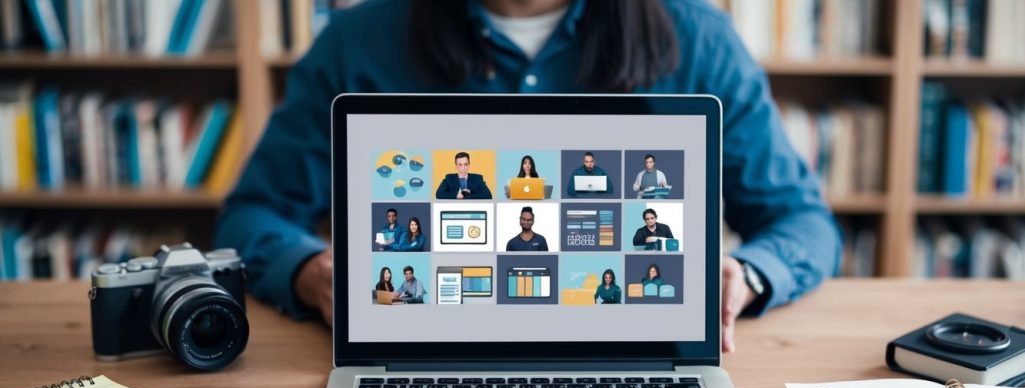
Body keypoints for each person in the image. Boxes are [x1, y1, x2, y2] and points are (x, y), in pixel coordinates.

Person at [215, 0, 841, 353]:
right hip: (415, 348)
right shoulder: (357, 40)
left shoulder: (699, 41)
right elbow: (253, 214)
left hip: (639, 352)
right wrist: (306, 272)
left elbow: (801, 221)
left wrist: (748, 275)